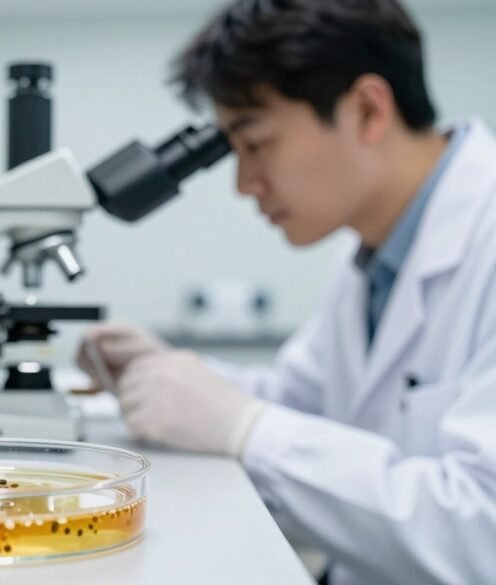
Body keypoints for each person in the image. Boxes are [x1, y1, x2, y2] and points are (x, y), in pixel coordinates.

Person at [77, 1, 496, 583]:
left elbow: (483, 532)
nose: (244, 184)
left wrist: (245, 429)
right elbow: (302, 401)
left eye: (256, 143)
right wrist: (171, 374)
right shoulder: (370, 256)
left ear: (367, 110)